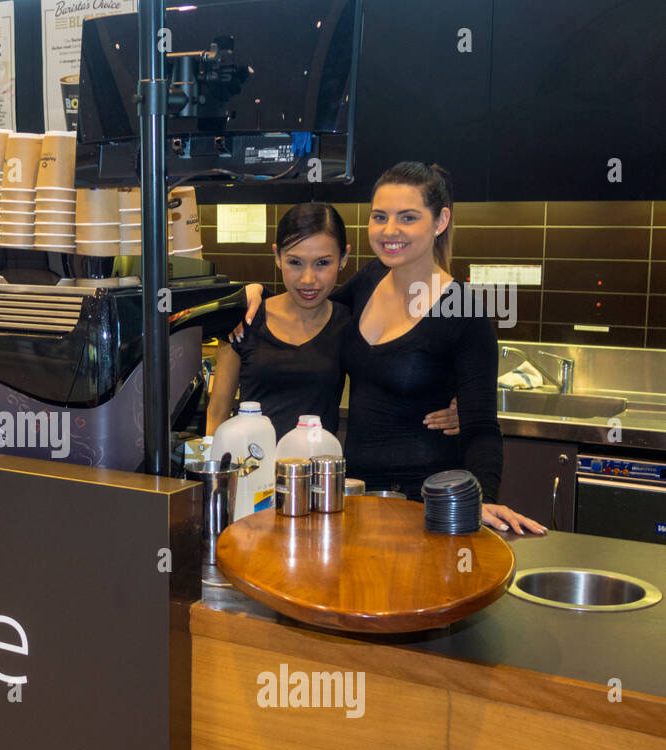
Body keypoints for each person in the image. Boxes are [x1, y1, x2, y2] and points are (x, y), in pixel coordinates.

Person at [236, 162, 545, 534]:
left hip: (426, 503)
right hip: (352, 497)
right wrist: (255, 294)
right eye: (380, 217)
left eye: (408, 217)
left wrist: (484, 499)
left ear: (440, 221)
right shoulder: (369, 279)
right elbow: (312, 303)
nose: (390, 230)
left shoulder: (464, 311)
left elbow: (481, 428)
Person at [204, 201, 459, 440]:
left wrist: (458, 402)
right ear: (277, 256)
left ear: (343, 259)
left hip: (318, 479)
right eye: (295, 262)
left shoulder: (351, 324)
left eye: (322, 263)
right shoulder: (245, 319)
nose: (308, 279)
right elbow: (217, 413)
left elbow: (401, 373)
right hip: (250, 474)